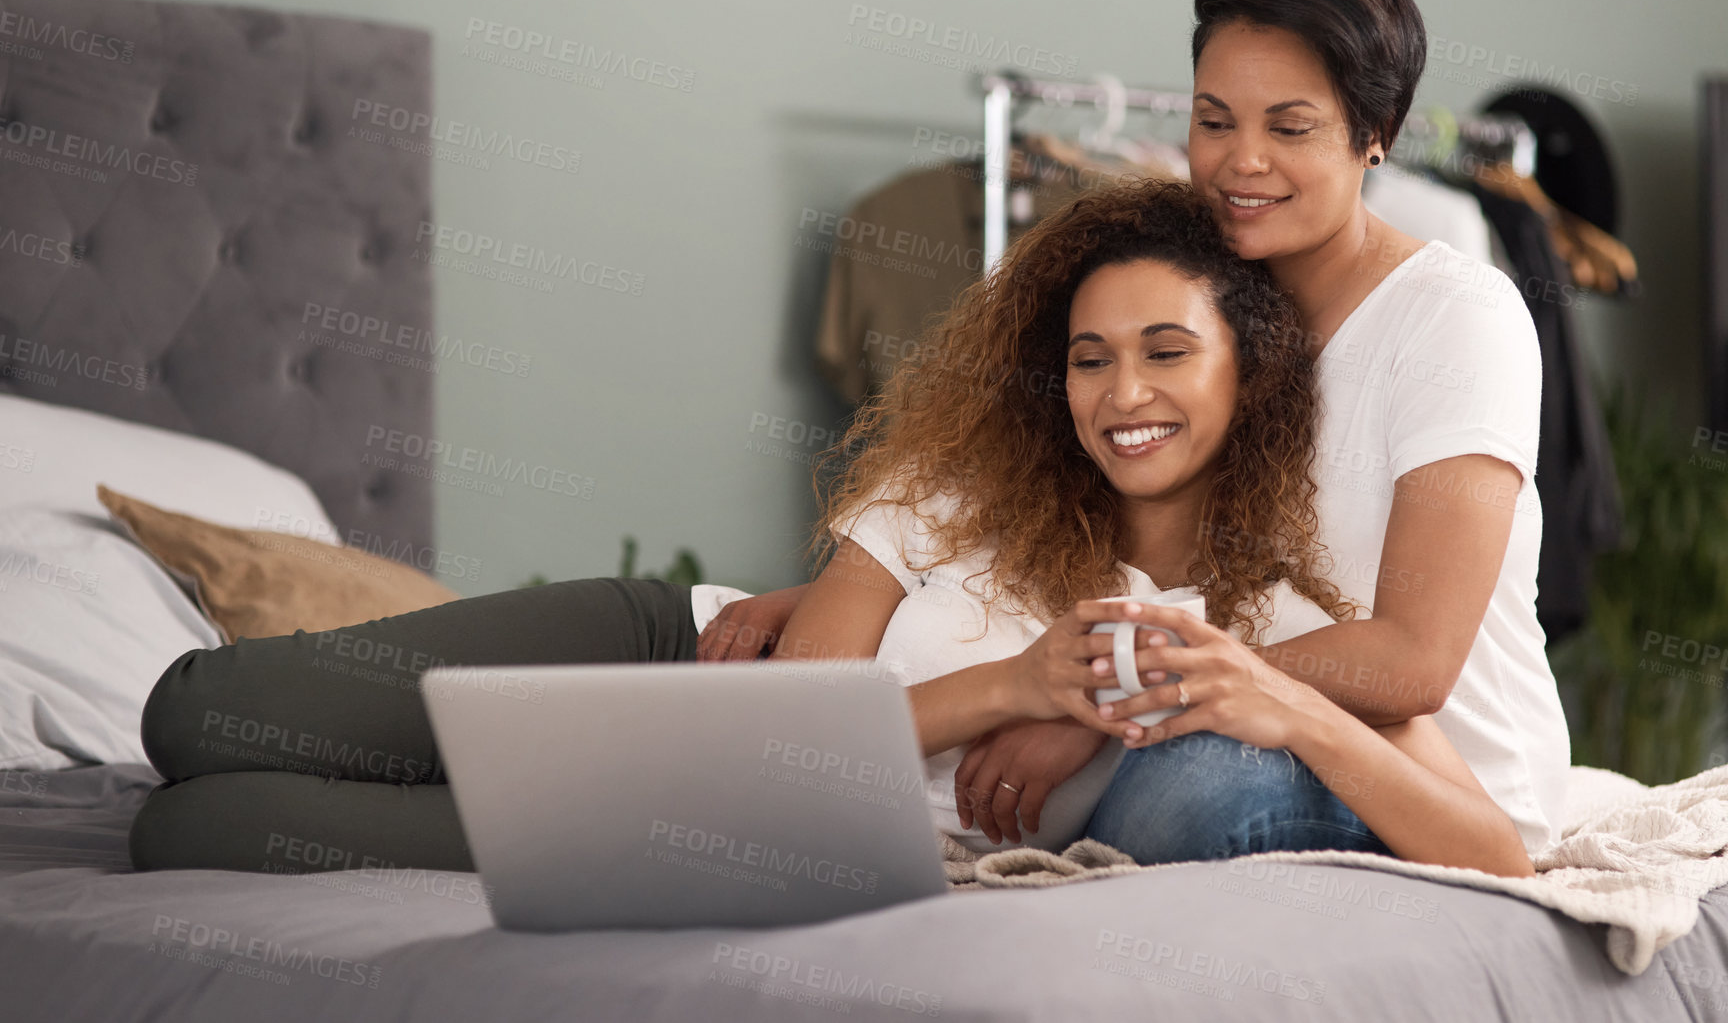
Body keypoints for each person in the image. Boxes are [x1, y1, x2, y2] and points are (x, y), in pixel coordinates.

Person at [130, 179, 1533, 879]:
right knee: (195, 713)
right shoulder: (971, 485)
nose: (1123, 392)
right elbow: (782, 715)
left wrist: (1265, 701)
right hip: (665, 662)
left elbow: (1498, 853)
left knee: (197, 834)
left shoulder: (1271, 620)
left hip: (701, 823)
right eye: (1090, 356)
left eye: (1168, 350)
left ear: (1252, 373)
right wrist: (1021, 685)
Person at [701, 0, 1572, 860]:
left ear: (1374, 133)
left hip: (1428, 777)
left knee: (1182, 791)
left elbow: (1412, 662)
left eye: (1290, 127)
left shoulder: (1455, 319)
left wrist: (1109, 707)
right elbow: (1143, 532)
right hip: (1219, 710)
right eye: (1214, 121)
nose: (1243, 163)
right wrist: (834, 588)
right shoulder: (1226, 288)